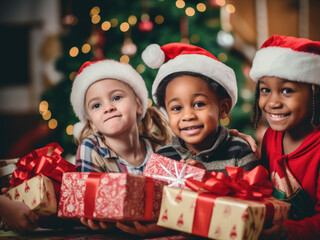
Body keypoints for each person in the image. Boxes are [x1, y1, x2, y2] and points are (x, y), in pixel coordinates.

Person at [249, 35, 320, 239]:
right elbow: (262, 185)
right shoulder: (272, 135)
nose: (272, 102)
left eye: (286, 91)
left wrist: (284, 232)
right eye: (265, 90)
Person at [70, 59, 173, 236]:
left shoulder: (161, 151)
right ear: (92, 124)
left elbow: (172, 203)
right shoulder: (91, 149)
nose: (108, 107)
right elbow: (88, 201)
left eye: (116, 97)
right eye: (96, 105)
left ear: (139, 105)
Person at [141, 42, 259, 172]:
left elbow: (252, 191)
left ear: (223, 108)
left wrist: (205, 179)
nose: (188, 116)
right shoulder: (163, 158)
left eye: (199, 104)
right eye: (176, 108)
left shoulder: (240, 153)